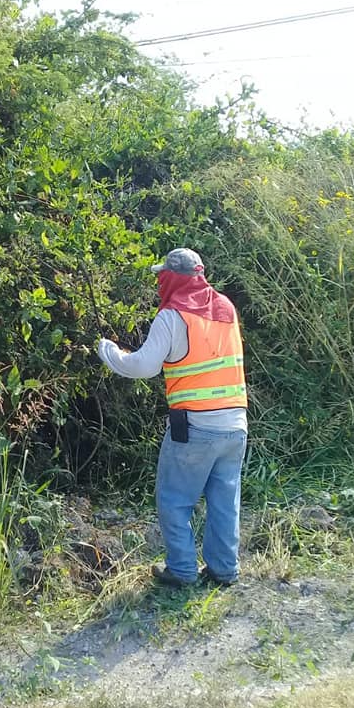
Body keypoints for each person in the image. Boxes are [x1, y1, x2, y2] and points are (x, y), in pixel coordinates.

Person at [97, 248, 247, 587]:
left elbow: (143, 366)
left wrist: (108, 351)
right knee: (225, 499)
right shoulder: (226, 308)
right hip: (236, 423)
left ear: (171, 277)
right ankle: (224, 570)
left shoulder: (172, 315)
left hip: (194, 425)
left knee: (175, 499)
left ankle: (181, 570)